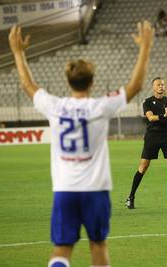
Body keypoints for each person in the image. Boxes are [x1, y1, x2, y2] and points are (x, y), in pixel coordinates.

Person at [9, 21, 154, 267]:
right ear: (92, 82)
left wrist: (18, 52)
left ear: (68, 81)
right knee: (98, 244)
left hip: (64, 189)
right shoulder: (99, 106)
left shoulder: (55, 106)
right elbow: (136, 86)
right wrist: (145, 47)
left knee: (62, 247)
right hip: (95, 190)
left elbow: (28, 85)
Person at [126, 77, 167, 209]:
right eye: (158, 85)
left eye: (163, 84)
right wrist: (164, 116)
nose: (161, 86)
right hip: (152, 136)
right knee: (143, 167)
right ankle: (130, 198)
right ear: (153, 87)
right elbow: (150, 117)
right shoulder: (148, 102)